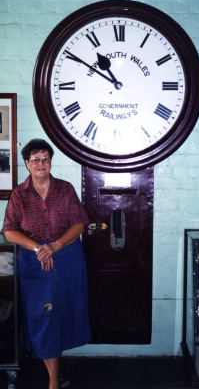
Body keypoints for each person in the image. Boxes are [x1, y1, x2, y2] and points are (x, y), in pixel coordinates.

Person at [2, 139, 91, 389]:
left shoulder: (65, 189)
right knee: (42, 315)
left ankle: (55, 372)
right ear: (27, 164)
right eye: (35, 159)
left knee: (63, 313)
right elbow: (9, 231)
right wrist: (38, 247)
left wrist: (55, 246)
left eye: (45, 158)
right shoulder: (20, 194)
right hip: (35, 262)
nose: (41, 163)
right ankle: (53, 381)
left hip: (66, 259)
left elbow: (79, 223)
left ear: (50, 161)